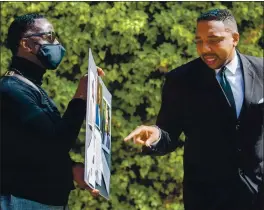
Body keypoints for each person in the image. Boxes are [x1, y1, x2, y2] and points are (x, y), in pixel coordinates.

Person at [124, 9, 263, 210]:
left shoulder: (261, 71)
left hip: (257, 196)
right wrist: (156, 135)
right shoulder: (180, 80)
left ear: (235, 38)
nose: (204, 48)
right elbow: (168, 134)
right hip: (206, 199)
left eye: (214, 40)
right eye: (199, 41)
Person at [0, 13, 104, 210]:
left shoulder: (30, 88)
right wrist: (82, 95)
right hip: (22, 201)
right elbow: (58, 141)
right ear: (26, 45)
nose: (56, 43)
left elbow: (38, 150)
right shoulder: (11, 90)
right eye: (48, 37)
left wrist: (72, 170)